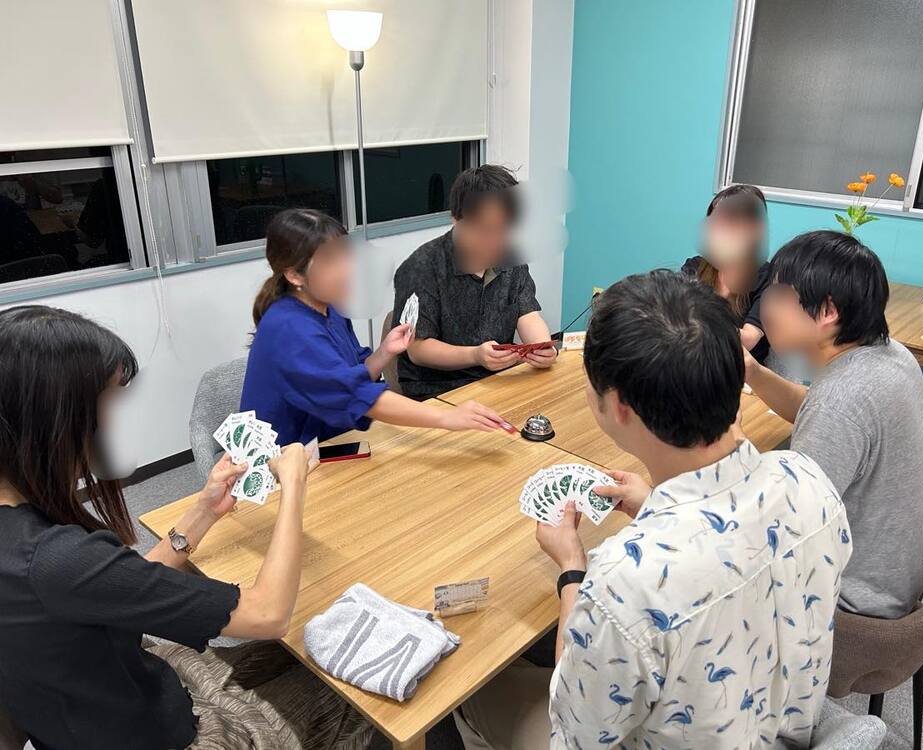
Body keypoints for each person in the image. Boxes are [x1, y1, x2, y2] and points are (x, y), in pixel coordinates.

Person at [455, 270, 853, 749]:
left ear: (619, 405)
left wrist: (572, 570)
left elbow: (574, 730)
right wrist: (654, 508)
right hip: (774, 726)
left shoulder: (624, 581)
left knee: (470, 691)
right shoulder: (808, 480)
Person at [0, 306, 371, 750]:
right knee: (350, 687)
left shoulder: (28, 543)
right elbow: (269, 614)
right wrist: (293, 487)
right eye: (106, 401)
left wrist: (204, 511)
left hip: (123, 691)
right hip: (169, 732)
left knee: (297, 651)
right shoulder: (55, 559)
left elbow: (114, 585)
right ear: (56, 417)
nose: (111, 420)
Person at [744, 230, 923, 619]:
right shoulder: (889, 354)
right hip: (892, 575)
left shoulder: (840, 401)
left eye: (778, 295)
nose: (764, 305)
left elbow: (781, 529)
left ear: (828, 311)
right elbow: (818, 410)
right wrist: (753, 373)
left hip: (849, 602)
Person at [241, 208, 508, 445]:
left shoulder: (328, 308)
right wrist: (446, 416)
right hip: (280, 463)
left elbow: (350, 377)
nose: (346, 269)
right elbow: (355, 395)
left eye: (345, 255)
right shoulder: (289, 328)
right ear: (293, 275)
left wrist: (384, 353)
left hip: (329, 445)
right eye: (329, 261)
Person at [392, 164, 556, 400]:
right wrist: (476, 356)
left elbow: (526, 312)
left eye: (504, 229)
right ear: (456, 219)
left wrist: (542, 347)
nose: (495, 241)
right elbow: (418, 349)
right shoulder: (422, 267)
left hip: (497, 381)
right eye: (485, 229)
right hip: (438, 391)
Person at [682, 183, 772, 363]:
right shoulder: (694, 266)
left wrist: (695, 325)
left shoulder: (766, 274)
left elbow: (749, 339)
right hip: (695, 361)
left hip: (742, 367)